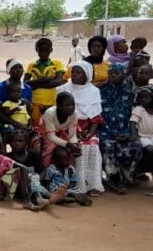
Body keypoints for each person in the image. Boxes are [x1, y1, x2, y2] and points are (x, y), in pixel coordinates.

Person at [57, 61, 105, 196]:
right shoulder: (63, 89)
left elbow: (96, 116)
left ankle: (93, 184)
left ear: (87, 75)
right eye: (73, 72)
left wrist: (90, 133)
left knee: (93, 146)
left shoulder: (94, 91)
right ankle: (77, 182)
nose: (74, 74)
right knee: (76, 145)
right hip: (67, 127)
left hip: (88, 128)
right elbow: (59, 113)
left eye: (78, 72)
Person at [99, 64, 141, 194]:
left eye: (117, 73)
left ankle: (127, 175)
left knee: (135, 146)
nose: (113, 75)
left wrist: (128, 133)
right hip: (105, 130)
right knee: (108, 146)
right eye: (111, 73)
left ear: (123, 74)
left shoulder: (130, 93)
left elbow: (134, 115)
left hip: (125, 131)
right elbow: (98, 115)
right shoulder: (101, 91)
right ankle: (114, 178)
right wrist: (108, 132)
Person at [25, 38, 65, 121]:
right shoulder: (32, 65)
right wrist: (43, 80)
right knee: (36, 124)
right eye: (41, 51)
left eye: (46, 51)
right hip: (35, 102)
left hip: (51, 102)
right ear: (36, 49)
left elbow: (58, 81)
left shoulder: (57, 64)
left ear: (51, 50)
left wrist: (35, 85)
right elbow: (25, 83)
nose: (43, 53)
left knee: (49, 125)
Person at [37, 92, 80, 168]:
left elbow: (72, 134)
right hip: (45, 132)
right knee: (49, 149)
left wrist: (74, 144)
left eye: (73, 105)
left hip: (61, 133)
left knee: (74, 150)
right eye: (67, 105)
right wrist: (67, 144)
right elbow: (51, 137)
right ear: (58, 106)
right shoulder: (49, 113)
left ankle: (70, 172)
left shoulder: (75, 114)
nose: (71, 107)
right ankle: (46, 171)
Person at [130, 86, 153, 183]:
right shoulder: (139, 109)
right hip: (144, 136)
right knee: (150, 149)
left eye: (147, 97)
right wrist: (134, 134)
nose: (144, 99)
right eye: (141, 97)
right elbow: (133, 122)